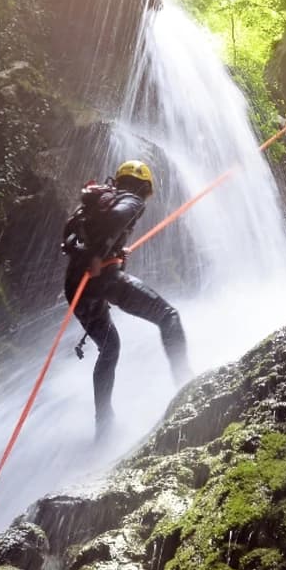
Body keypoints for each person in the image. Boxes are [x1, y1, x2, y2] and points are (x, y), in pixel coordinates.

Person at [62, 160, 192, 439]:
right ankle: (188, 388)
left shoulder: (92, 204)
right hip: (101, 280)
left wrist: (111, 253)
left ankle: (104, 424)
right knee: (168, 317)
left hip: (75, 287)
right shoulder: (130, 199)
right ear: (144, 186)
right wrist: (99, 254)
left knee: (109, 348)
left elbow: (69, 237)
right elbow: (115, 220)